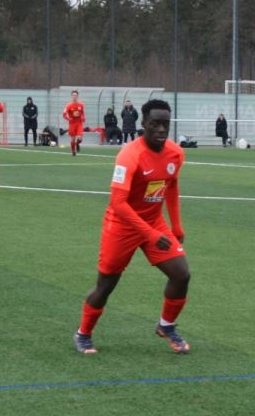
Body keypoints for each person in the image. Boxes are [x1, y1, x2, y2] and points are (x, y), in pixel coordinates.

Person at [74, 99, 191, 355]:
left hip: (154, 223)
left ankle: (166, 325)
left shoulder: (175, 153)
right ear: (143, 123)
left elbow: (171, 186)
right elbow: (118, 203)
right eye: (155, 124)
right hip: (121, 226)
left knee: (181, 274)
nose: (161, 129)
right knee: (106, 285)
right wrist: (149, 233)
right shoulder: (129, 155)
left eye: (165, 124)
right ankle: (83, 334)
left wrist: (176, 225)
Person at [63, 90, 86, 156]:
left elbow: (83, 112)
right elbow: (64, 115)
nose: (74, 96)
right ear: (71, 96)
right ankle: (73, 151)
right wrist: (68, 119)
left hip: (79, 123)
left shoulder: (81, 105)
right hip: (72, 124)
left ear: (77, 96)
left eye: (75, 95)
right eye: (73, 95)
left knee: (80, 138)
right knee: (73, 139)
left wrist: (83, 117)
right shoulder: (68, 105)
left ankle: (77, 144)